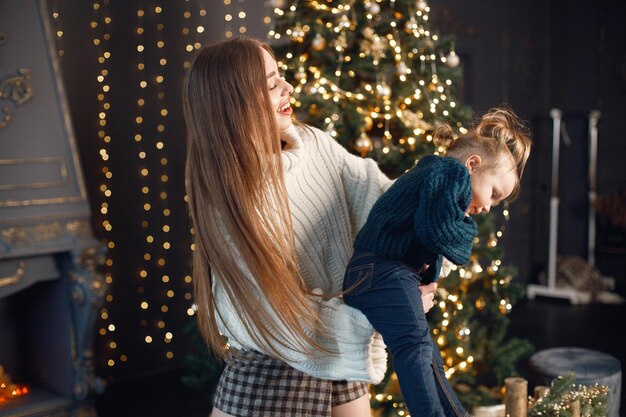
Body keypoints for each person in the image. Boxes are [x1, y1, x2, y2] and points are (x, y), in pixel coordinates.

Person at [183, 36, 438, 417]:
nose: (287, 87)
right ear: (235, 106)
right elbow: (275, 319)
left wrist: (446, 202)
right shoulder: (231, 202)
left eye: (280, 76)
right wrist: (387, 311)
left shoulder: (313, 145)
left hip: (341, 361)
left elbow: (385, 202)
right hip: (272, 378)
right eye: (271, 84)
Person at [342, 106, 533, 417]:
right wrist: (465, 232)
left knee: (428, 354)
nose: (488, 208)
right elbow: (437, 232)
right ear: (473, 165)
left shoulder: (439, 177)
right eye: (494, 194)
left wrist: (427, 281)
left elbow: (425, 233)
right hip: (379, 270)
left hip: (380, 273)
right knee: (414, 350)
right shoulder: (448, 172)